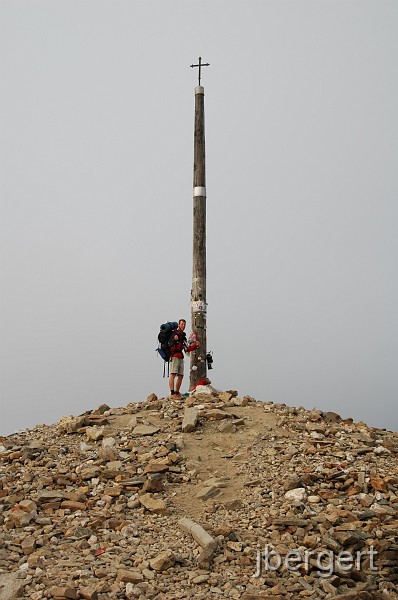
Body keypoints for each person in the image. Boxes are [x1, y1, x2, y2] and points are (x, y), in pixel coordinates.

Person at [168, 319, 198, 398]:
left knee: (181, 375)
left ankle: (177, 392)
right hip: (174, 356)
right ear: (178, 325)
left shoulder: (183, 336)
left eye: (184, 324)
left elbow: (187, 349)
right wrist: (174, 339)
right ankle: (172, 393)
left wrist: (195, 345)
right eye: (182, 324)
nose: (183, 326)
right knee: (173, 374)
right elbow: (169, 345)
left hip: (180, 356)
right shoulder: (174, 334)